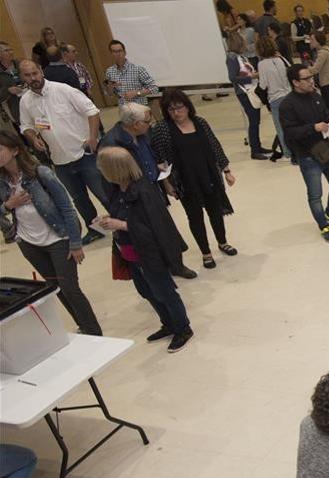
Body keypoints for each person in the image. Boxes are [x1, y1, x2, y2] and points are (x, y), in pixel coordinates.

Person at [0, 130, 103, 336]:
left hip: (59, 239)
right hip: (28, 243)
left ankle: (93, 331)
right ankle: (83, 327)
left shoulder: (41, 173)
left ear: (15, 150)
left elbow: (67, 208)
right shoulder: (2, 182)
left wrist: (75, 243)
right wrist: (8, 205)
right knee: (55, 287)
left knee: (70, 289)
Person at [95, 146, 194, 352]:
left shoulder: (143, 192)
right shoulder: (116, 189)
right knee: (147, 291)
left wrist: (121, 225)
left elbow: (155, 227)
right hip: (130, 252)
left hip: (149, 253)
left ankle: (183, 328)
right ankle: (168, 324)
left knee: (164, 291)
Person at [99, 103, 198, 279]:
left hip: (152, 190)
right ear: (135, 124)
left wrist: (165, 183)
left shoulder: (142, 133)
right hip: (135, 197)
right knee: (148, 233)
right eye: (147, 120)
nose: (150, 123)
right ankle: (159, 270)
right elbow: (110, 180)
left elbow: (151, 158)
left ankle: (176, 264)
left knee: (166, 229)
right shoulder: (111, 143)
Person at [16, 60, 107, 246]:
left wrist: (92, 138)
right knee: (79, 199)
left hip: (85, 154)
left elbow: (92, 111)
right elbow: (26, 126)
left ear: (41, 71)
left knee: (103, 193)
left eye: (35, 73)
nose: (33, 78)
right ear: (22, 77)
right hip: (59, 160)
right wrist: (33, 137)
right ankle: (94, 229)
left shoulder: (63, 90)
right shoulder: (25, 101)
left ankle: (124, 223)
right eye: (27, 75)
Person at [150, 90, 239, 271]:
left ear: (187, 106)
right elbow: (160, 160)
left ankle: (223, 242)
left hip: (209, 176)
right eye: (171, 109)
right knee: (195, 217)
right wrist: (167, 184)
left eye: (179, 107)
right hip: (185, 182)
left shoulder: (200, 123)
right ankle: (206, 253)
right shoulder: (162, 130)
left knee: (215, 212)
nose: (176, 112)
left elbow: (215, 146)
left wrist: (226, 170)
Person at [279, 63, 329, 243]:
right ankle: (323, 225)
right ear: (295, 82)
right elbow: (290, 133)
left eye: (311, 77)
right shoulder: (287, 105)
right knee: (315, 194)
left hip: (325, 150)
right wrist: (313, 127)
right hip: (307, 156)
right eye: (307, 78)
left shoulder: (316, 96)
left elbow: (325, 114)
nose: (311, 81)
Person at [224, 33, 269, 161]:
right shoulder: (232, 58)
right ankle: (255, 150)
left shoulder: (240, 57)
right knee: (253, 121)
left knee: (256, 120)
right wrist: (251, 77)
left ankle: (258, 146)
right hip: (244, 92)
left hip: (251, 90)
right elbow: (233, 78)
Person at [255, 37, 292, 163]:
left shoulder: (261, 64)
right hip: (289, 95)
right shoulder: (280, 59)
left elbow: (263, 85)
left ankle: (288, 153)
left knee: (281, 128)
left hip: (275, 98)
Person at [104, 40, 159, 108]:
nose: (117, 54)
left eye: (120, 51)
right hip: (123, 109)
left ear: (125, 52)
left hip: (140, 107)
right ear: (111, 54)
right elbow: (110, 94)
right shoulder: (109, 71)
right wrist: (109, 88)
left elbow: (154, 88)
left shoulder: (138, 69)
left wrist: (136, 93)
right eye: (114, 52)